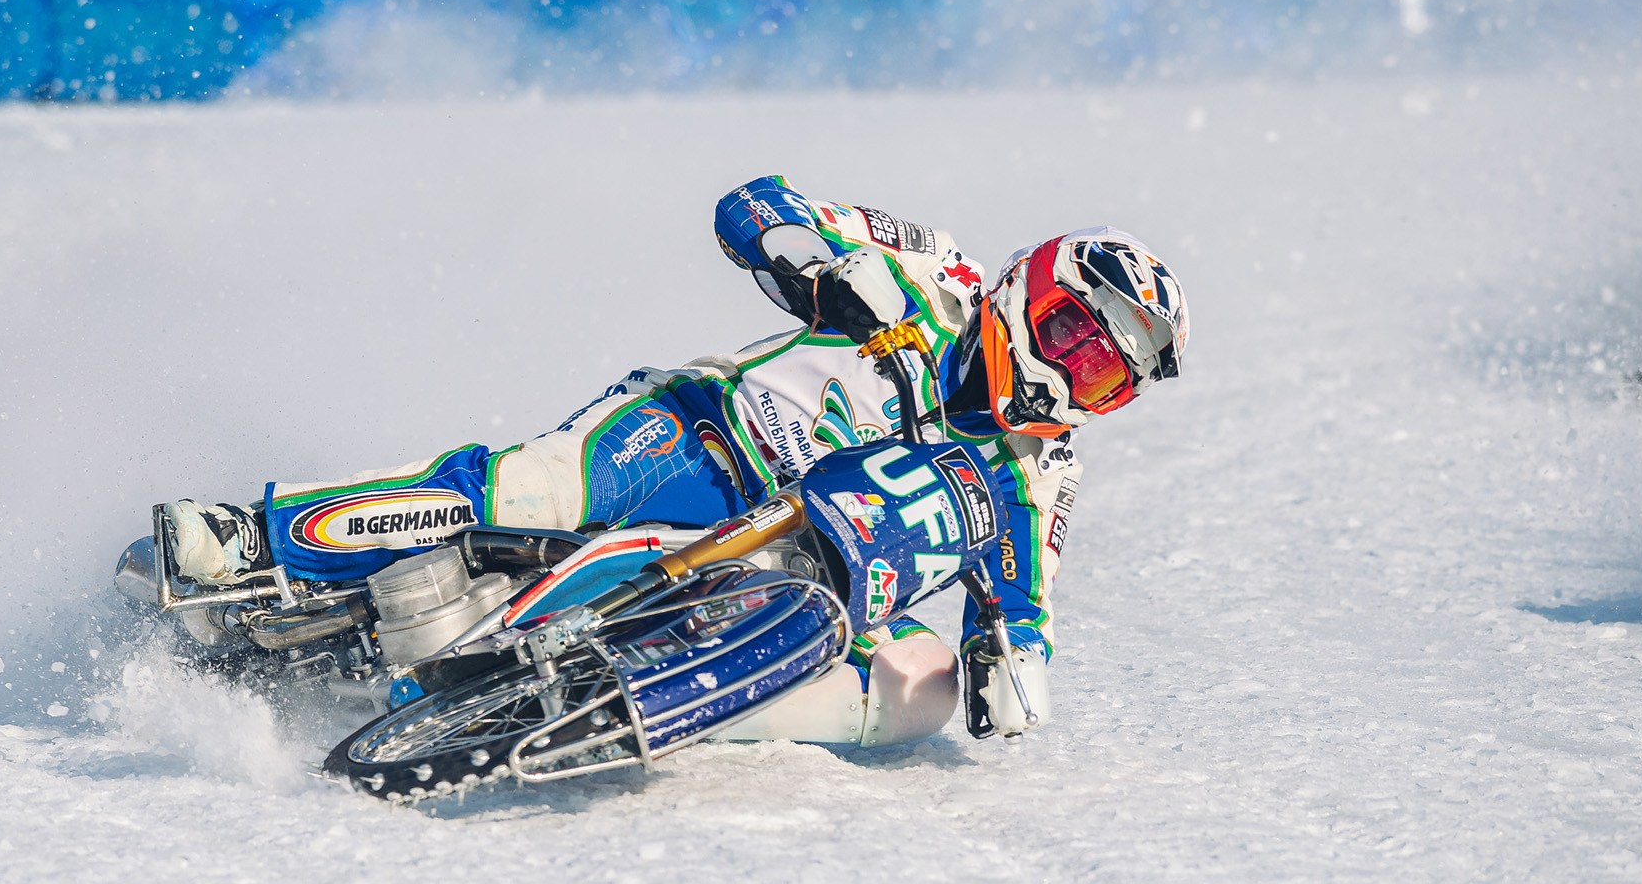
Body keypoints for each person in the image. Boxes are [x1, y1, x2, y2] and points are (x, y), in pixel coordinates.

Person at [165, 176, 1188, 745]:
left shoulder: (1037, 474)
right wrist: (817, 265)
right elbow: (758, 202)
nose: (1069, 375)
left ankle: (644, 705)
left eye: (1102, 375)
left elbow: (1024, 602)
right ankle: (255, 536)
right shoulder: (936, 269)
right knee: (537, 487)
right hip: (700, 436)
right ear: (1028, 285)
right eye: (1071, 335)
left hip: (787, 571)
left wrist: (1010, 664)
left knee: (918, 686)